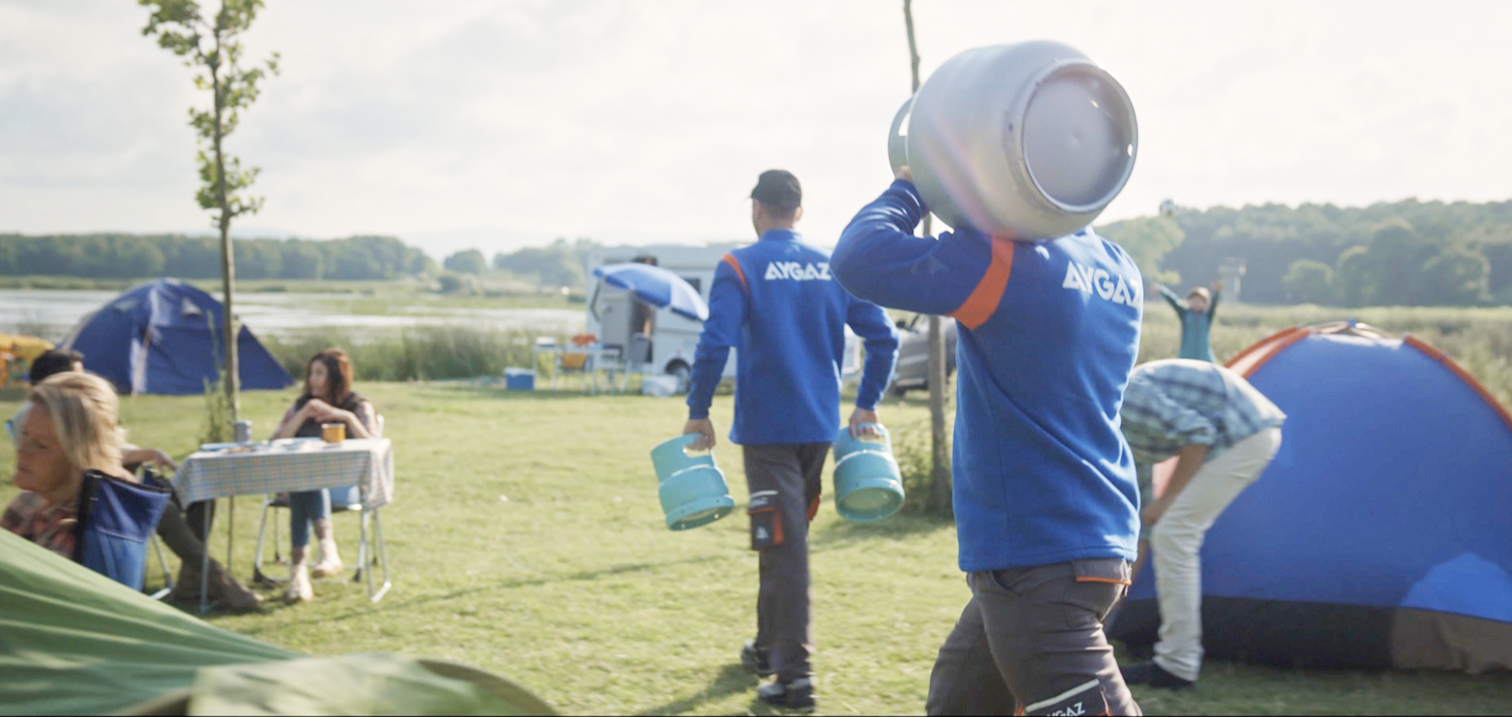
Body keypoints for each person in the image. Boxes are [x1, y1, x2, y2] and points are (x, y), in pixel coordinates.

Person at [830, 166, 1144, 716]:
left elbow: (860, 257)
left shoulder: (1007, 264)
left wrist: (916, 183)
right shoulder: (1120, 269)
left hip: (1037, 562)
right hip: (1090, 546)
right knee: (959, 702)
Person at [681, 169, 899, 712]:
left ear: (756, 209)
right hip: (816, 429)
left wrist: (698, 410)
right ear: (798, 212)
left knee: (783, 543)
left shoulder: (739, 265)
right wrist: (867, 401)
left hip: (767, 432)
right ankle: (765, 649)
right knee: (778, 535)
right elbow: (884, 336)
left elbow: (714, 343)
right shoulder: (833, 266)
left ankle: (795, 678)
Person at [7, 349, 263, 611]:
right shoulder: (30, 497)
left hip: (110, 493)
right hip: (112, 492)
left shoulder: (70, 530)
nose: (22, 450)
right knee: (173, 514)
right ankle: (218, 585)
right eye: (75, 377)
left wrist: (141, 460)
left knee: (194, 502)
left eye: (39, 445)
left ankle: (208, 583)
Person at [1116, 359, 1285, 690]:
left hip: (1245, 433)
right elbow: (1141, 529)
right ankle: (1176, 657)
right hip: (1239, 435)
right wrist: (1112, 604)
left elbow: (1198, 435)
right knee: (1167, 534)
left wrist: (1166, 501)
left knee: (1175, 534)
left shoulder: (1126, 402)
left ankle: (1176, 667)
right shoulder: (1119, 439)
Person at [270, 348, 379, 603]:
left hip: (345, 486)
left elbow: (376, 447)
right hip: (301, 485)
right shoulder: (301, 406)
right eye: (311, 374)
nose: (312, 380)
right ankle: (327, 550)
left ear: (335, 376)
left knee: (305, 481)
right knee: (305, 481)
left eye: (319, 374)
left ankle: (298, 572)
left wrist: (346, 418)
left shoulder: (358, 406)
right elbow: (274, 444)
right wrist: (302, 415)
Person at [1158, 281, 1223, 362]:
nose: (1196, 302)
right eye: (1193, 300)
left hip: (1204, 357)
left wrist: (1217, 292)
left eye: (1199, 300)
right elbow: (1173, 301)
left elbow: (1214, 303)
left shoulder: (1207, 316)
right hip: (1186, 356)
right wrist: (1161, 289)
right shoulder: (1185, 314)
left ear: (1205, 303)